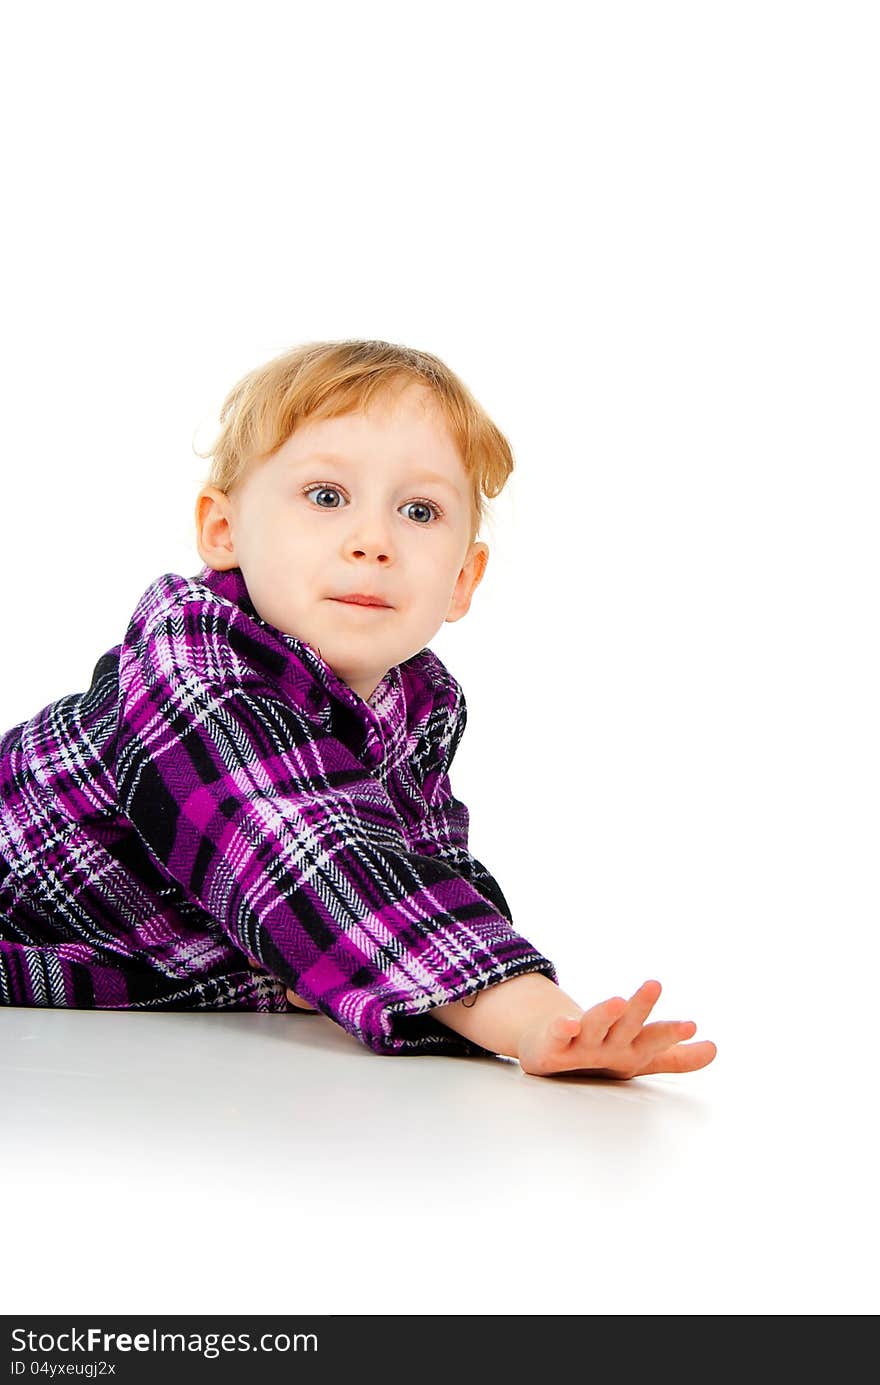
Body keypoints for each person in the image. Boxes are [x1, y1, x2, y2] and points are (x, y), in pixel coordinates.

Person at [0, 339, 716, 1080]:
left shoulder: (419, 699)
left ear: (464, 578)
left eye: (419, 510)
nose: (373, 541)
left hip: (144, 961)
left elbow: (421, 861)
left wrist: (548, 1011)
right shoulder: (191, 665)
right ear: (223, 531)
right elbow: (308, 859)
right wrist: (528, 1017)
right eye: (326, 497)